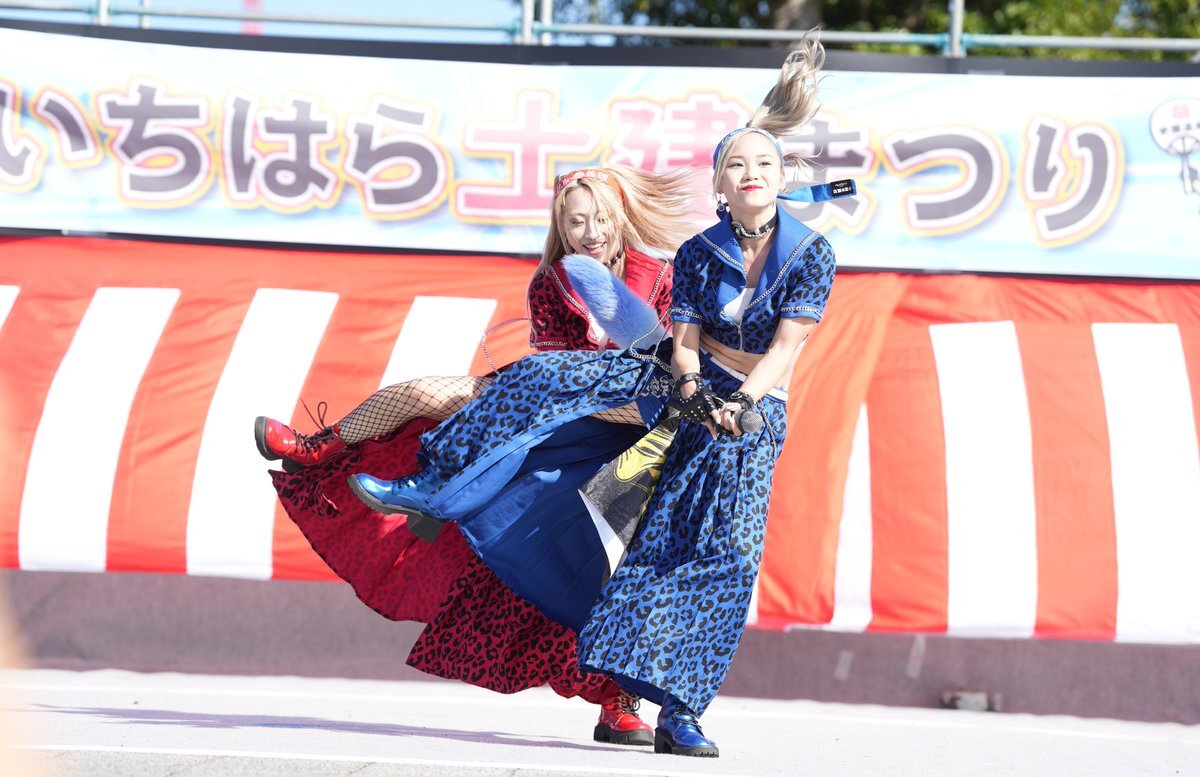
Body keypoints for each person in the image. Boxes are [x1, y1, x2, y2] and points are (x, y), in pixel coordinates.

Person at [349, 34, 837, 759]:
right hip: (677, 387)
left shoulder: (809, 253)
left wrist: (740, 405)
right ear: (720, 183)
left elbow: (786, 348)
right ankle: (433, 484)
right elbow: (682, 343)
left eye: (763, 163)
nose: (752, 174)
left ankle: (677, 712)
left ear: (780, 176)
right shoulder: (697, 254)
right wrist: (692, 384)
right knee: (539, 380)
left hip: (752, 414)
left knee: (714, 555)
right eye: (738, 164)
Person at [255, 164, 696, 747]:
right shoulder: (552, 282)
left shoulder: (663, 276)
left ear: (622, 219)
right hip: (555, 407)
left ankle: (621, 701)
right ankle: (319, 450)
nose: (590, 232)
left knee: (615, 564)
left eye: (600, 219)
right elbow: (556, 376)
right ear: (560, 229)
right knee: (424, 394)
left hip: (636, 428)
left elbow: (675, 370)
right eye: (575, 222)